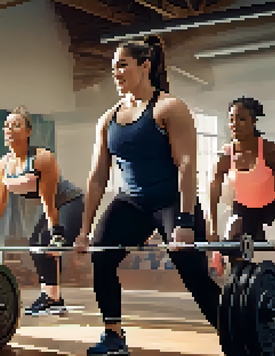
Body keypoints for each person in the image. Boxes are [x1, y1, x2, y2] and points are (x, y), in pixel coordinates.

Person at [75, 35, 222, 355]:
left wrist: (184, 220)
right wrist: (84, 231)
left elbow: (186, 166)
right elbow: (98, 176)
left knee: (191, 271)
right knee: (103, 255)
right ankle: (113, 336)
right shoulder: (108, 119)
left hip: (171, 199)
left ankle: (233, 328)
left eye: (122, 65)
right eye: (113, 67)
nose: (116, 72)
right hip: (132, 202)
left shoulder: (169, 107)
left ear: (146, 66)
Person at [0, 106, 84, 316]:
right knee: (36, 245)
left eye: (16, 125)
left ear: (28, 132)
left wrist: (57, 232)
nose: (9, 129)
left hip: (70, 202)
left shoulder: (42, 158)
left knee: (48, 244)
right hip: (52, 206)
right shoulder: (4, 164)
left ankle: (84, 234)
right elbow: (0, 201)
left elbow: (48, 200)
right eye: (6, 126)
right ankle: (52, 298)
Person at [209, 97, 275, 281]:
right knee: (233, 247)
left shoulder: (273, 152)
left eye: (241, 119)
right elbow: (214, 191)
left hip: (273, 209)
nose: (234, 124)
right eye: (231, 119)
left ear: (254, 121)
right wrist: (213, 232)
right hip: (244, 209)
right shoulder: (225, 156)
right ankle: (241, 289)